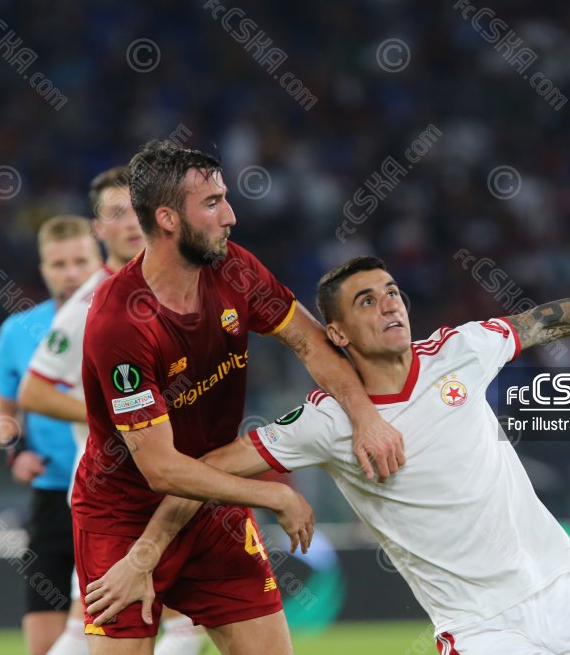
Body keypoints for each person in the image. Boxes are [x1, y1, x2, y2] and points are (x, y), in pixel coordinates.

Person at [84, 256, 570, 654]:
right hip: (483, 631)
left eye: (392, 293)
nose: (390, 305)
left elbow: (545, 320)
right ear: (337, 334)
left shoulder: (460, 351)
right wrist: (145, 554)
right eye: (367, 301)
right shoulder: (324, 422)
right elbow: (205, 471)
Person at [72, 141, 405, 653]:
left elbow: (311, 342)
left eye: (224, 198)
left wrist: (366, 417)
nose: (230, 216)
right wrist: (275, 494)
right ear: (167, 219)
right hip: (124, 518)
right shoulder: (121, 322)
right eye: (212, 203)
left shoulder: (235, 269)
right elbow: (161, 469)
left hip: (212, 503)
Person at [18, 167, 206, 655]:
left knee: (157, 620)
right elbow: (33, 391)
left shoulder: (179, 286)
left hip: (176, 478)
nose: (130, 222)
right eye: (116, 213)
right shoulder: (90, 302)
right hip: (115, 490)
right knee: (137, 621)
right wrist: (111, 417)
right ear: (98, 229)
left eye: (135, 209)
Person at [0, 215, 103, 655]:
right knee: (45, 645)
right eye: (59, 264)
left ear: (99, 262)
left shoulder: (123, 321)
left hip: (115, 492)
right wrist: (14, 449)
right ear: (43, 270)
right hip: (54, 496)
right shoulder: (17, 333)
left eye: (80, 261)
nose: (70, 273)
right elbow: (4, 413)